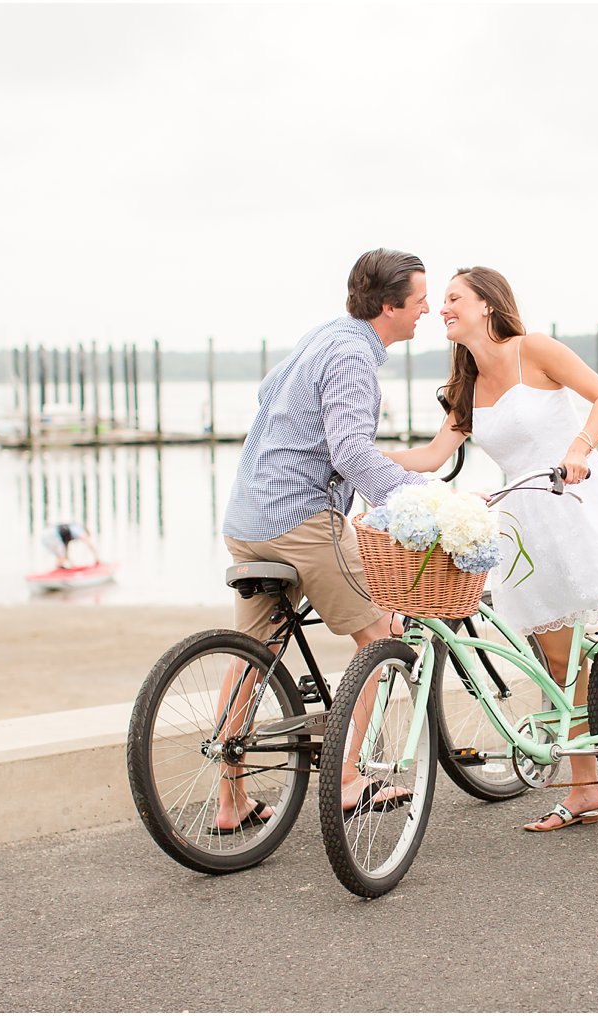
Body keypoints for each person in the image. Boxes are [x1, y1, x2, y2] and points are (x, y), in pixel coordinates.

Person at [381, 266, 598, 843]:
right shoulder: (465, 385)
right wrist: (366, 455)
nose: (442, 308)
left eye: (453, 298)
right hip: (524, 530)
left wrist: (579, 447)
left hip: (578, 505)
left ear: (488, 305)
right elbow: (435, 454)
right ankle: (585, 789)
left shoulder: (533, 350)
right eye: (440, 301)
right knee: (560, 666)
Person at [215, 248, 431, 832]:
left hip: (247, 518)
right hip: (301, 519)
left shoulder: (327, 334)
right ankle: (346, 779)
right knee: (380, 634)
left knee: (253, 652)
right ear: (390, 306)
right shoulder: (357, 357)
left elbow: (268, 395)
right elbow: (352, 450)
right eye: (419, 301)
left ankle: (229, 800)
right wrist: (416, 496)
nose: (428, 310)